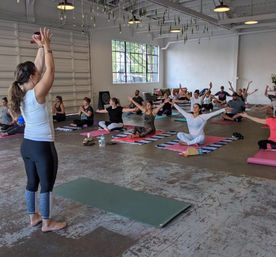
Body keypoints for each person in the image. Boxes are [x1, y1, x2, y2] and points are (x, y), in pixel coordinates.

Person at [8, 27, 66, 232]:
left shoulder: (21, 92)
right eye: (36, 73)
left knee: (32, 183)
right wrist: (48, 47)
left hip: (27, 146)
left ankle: (34, 217)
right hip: (42, 147)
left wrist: (40, 47)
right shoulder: (37, 93)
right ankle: (47, 223)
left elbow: (38, 67)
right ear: (32, 77)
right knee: (47, 185)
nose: (38, 73)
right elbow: (49, 71)